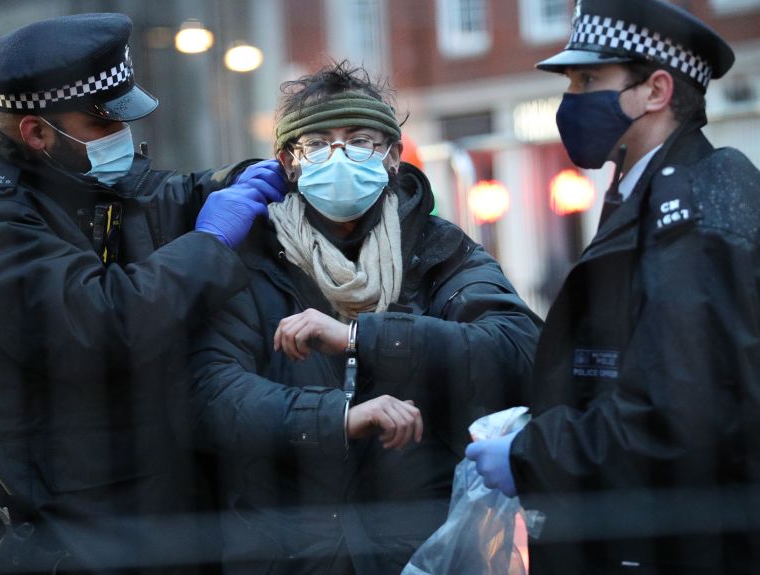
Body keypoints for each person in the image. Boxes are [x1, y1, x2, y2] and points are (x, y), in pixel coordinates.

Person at [0, 13, 286, 575]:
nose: (121, 138)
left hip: (114, 525)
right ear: (36, 132)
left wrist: (251, 178)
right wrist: (210, 242)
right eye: (103, 124)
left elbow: (170, 193)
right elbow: (105, 323)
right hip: (30, 539)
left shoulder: (78, 186)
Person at [465, 0, 760, 573]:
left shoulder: (697, 215)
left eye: (589, 82)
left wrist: (531, 454)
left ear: (656, 90)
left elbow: (680, 418)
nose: (570, 100)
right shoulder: (663, 192)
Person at [186, 61, 542, 574]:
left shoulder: (439, 251)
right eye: (317, 144)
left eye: (360, 140)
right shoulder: (248, 263)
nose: (340, 156)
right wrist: (337, 419)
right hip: (282, 557)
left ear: (393, 157)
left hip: (416, 553)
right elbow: (212, 395)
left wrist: (361, 337)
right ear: (288, 162)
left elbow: (519, 350)